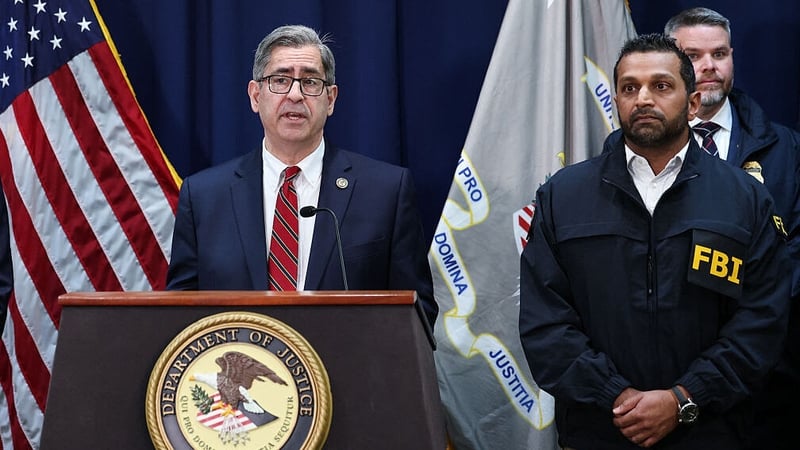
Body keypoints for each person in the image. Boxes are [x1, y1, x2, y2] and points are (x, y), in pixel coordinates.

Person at [519, 33, 791, 449]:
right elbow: (546, 326)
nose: (643, 98)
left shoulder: (744, 197)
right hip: (600, 432)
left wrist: (684, 398)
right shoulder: (562, 196)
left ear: (693, 103)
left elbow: (761, 323)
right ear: (616, 101)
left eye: (661, 86)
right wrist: (616, 396)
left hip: (710, 432)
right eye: (630, 87)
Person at [166, 25, 438, 329]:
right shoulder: (204, 196)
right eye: (280, 80)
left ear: (331, 99)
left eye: (310, 82)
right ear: (255, 96)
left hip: (348, 373)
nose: (295, 94)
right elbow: (180, 314)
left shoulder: (386, 192)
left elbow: (418, 313)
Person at [664, 8, 800, 448]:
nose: (709, 67)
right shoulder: (632, 146)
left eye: (719, 53)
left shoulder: (785, 148)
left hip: (768, 373)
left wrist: (755, 309)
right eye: (694, 55)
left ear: (732, 57)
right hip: (668, 365)